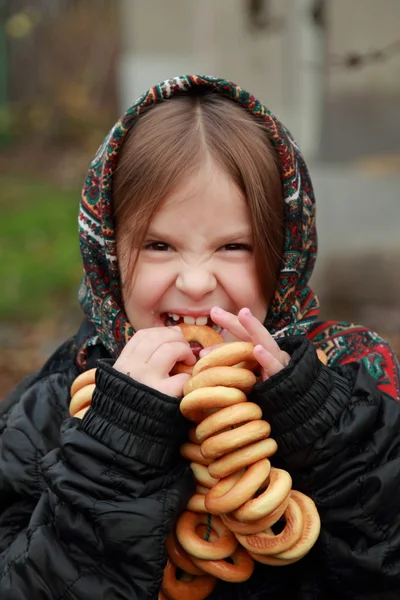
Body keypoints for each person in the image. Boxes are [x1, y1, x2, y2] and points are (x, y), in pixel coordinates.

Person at [1, 74, 399, 600]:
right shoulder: (57, 401)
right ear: (107, 253)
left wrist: (316, 424)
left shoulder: (351, 384)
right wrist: (116, 442)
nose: (194, 281)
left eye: (234, 246)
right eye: (159, 245)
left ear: (285, 256)